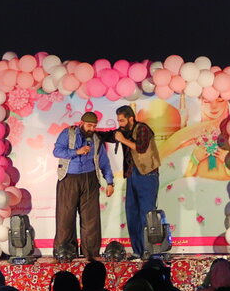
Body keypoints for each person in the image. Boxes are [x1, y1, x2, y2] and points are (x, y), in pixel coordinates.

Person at [52, 111, 114, 259]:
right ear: (81, 123)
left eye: (94, 126)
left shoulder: (96, 139)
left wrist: (110, 182)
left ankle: (90, 254)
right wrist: (77, 151)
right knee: (65, 217)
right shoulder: (68, 133)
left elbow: (104, 162)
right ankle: (64, 253)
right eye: (89, 125)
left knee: (90, 219)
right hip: (69, 179)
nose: (91, 128)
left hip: (90, 179)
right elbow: (57, 151)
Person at [110, 105, 161, 259]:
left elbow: (141, 147)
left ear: (131, 118)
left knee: (146, 213)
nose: (120, 124)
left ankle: (149, 251)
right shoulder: (123, 132)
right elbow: (110, 136)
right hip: (132, 175)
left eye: (122, 120)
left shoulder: (142, 129)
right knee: (132, 213)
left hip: (147, 175)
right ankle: (138, 250)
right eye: (118, 121)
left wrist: (123, 140)